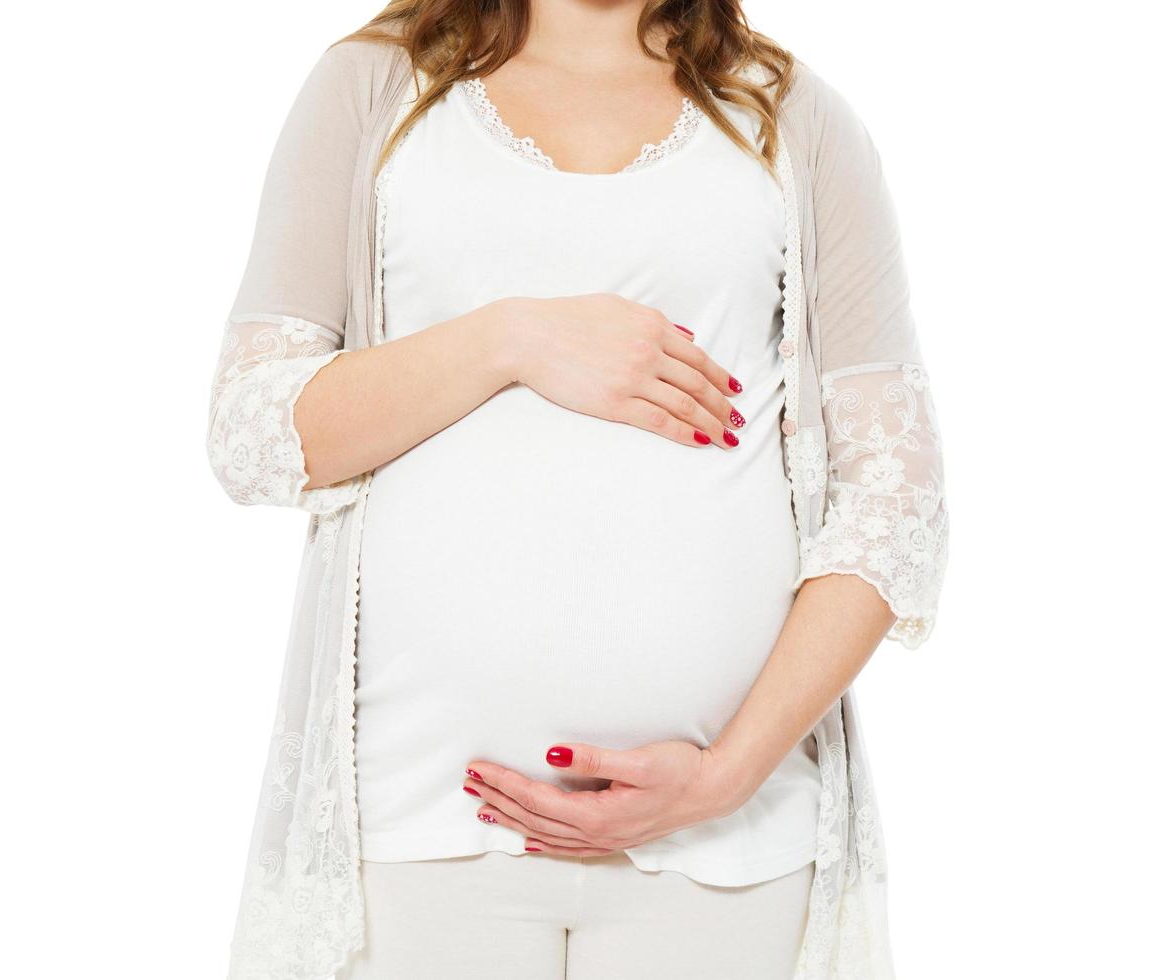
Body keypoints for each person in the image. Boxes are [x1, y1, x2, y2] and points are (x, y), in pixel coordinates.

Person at [203, 1, 950, 976]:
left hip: (725, 853)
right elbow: (255, 430)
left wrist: (723, 778)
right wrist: (510, 338)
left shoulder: (791, 120)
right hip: (417, 822)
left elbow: (896, 501)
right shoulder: (377, 89)